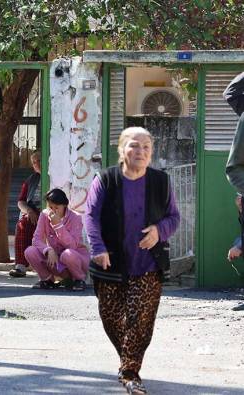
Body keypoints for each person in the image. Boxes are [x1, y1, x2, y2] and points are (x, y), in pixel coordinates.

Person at [84, 127, 180, 394]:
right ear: (122, 150)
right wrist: (98, 247)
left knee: (140, 321)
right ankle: (127, 359)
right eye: (135, 146)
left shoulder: (161, 181)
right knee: (111, 318)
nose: (141, 151)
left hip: (148, 264)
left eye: (147, 147)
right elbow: (90, 216)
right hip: (110, 263)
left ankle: (130, 373)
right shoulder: (106, 179)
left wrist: (159, 231)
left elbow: (174, 217)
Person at [24, 188, 90, 291]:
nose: (53, 211)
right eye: (51, 207)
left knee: (67, 254)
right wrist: (48, 250)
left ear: (64, 205)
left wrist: (58, 225)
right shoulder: (44, 215)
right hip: (55, 260)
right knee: (30, 251)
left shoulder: (75, 218)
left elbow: (72, 245)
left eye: (57, 207)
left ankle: (79, 280)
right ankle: (47, 280)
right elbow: (36, 240)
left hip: (74, 259)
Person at [10, 151, 42, 278]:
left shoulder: (53, 175)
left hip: (47, 211)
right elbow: (21, 202)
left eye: (39, 160)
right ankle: (20, 266)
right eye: (34, 162)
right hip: (32, 211)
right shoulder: (31, 179)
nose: (37, 164)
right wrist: (29, 211)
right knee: (22, 224)